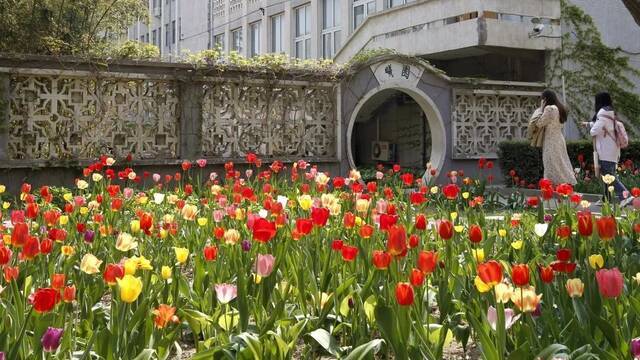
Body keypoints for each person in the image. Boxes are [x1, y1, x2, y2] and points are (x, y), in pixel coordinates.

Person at [583, 92, 633, 206]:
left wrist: (590, 127)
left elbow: (594, 131)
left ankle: (625, 196)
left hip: (606, 152)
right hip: (612, 151)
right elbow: (599, 125)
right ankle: (606, 199)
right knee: (606, 175)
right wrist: (588, 124)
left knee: (609, 176)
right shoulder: (610, 114)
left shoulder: (603, 116)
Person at [530, 89, 577, 185]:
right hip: (559, 138)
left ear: (545, 99)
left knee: (550, 164)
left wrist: (541, 108)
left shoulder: (549, 109)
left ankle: (554, 186)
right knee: (561, 162)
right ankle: (567, 184)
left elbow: (539, 123)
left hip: (550, 140)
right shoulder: (560, 108)